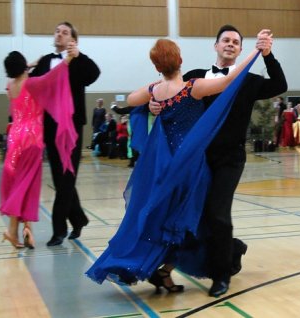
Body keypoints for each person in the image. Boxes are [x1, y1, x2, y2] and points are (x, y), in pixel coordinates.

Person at [86, 37, 262, 293]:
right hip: (191, 165)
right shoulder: (193, 88)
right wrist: (255, 53)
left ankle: (166, 271)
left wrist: (150, 99)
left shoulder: (155, 90)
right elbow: (228, 81)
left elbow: (133, 99)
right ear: (180, 60)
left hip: (165, 164)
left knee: (172, 218)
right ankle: (217, 258)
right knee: (190, 219)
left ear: (157, 67)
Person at [150, 25, 287, 297]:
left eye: (236, 42)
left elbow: (280, 85)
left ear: (240, 49)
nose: (231, 44)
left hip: (229, 158)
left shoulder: (247, 81)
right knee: (189, 214)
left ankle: (221, 274)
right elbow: (167, 92)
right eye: (226, 40)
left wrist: (268, 55)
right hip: (196, 159)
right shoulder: (195, 77)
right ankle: (230, 250)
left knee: (217, 213)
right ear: (215, 46)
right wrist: (154, 104)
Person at [30, 21, 101, 246]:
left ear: (73, 39)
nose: (59, 35)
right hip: (49, 127)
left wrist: (79, 55)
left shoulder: (79, 61)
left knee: (67, 177)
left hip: (71, 127)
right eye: (57, 31)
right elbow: (34, 84)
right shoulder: (44, 62)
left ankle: (58, 230)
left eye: (65, 32)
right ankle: (78, 218)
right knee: (60, 179)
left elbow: (93, 74)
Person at [0, 50, 76, 249]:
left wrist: (29, 65)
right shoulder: (31, 84)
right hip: (31, 140)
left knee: (22, 182)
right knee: (25, 185)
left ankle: (26, 230)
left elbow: (23, 73)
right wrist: (67, 59)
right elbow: (52, 77)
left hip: (14, 139)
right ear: (23, 66)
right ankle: (12, 230)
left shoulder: (10, 86)